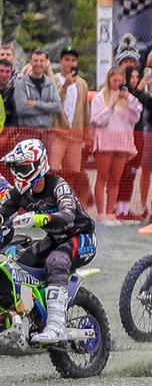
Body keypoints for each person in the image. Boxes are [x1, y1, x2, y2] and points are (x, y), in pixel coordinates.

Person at [0, 136, 94, 343]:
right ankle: (30, 318)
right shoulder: (20, 192)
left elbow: (68, 215)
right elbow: (2, 212)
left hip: (81, 237)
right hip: (54, 239)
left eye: (23, 169)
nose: (18, 174)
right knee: (19, 266)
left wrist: (40, 217)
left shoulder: (58, 186)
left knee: (56, 261)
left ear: (39, 166)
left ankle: (56, 325)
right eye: (16, 169)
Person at [88, 67, 143, 220]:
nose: (117, 84)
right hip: (105, 141)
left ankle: (110, 211)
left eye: (120, 81)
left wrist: (129, 99)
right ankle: (101, 213)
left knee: (115, 179)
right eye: (114, 81)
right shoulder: (100, 97)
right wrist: (111, 105)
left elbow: (136, 116)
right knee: (102, 176)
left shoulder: (128, 98)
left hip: (122, 141)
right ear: (109, 80)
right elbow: (98, 120)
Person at [51, 49, 88, 208]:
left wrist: (86, 133)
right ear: (61, 61)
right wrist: (65, 86)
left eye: (73, 60)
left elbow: (85, 109)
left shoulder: (82, 84)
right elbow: (54, 104)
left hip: (76, 134)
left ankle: (68, 202)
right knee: (53, 168)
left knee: (73, 171)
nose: (70, 63)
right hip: (57, 132)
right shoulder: (53, 81)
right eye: (67, 59)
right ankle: (51, 200)